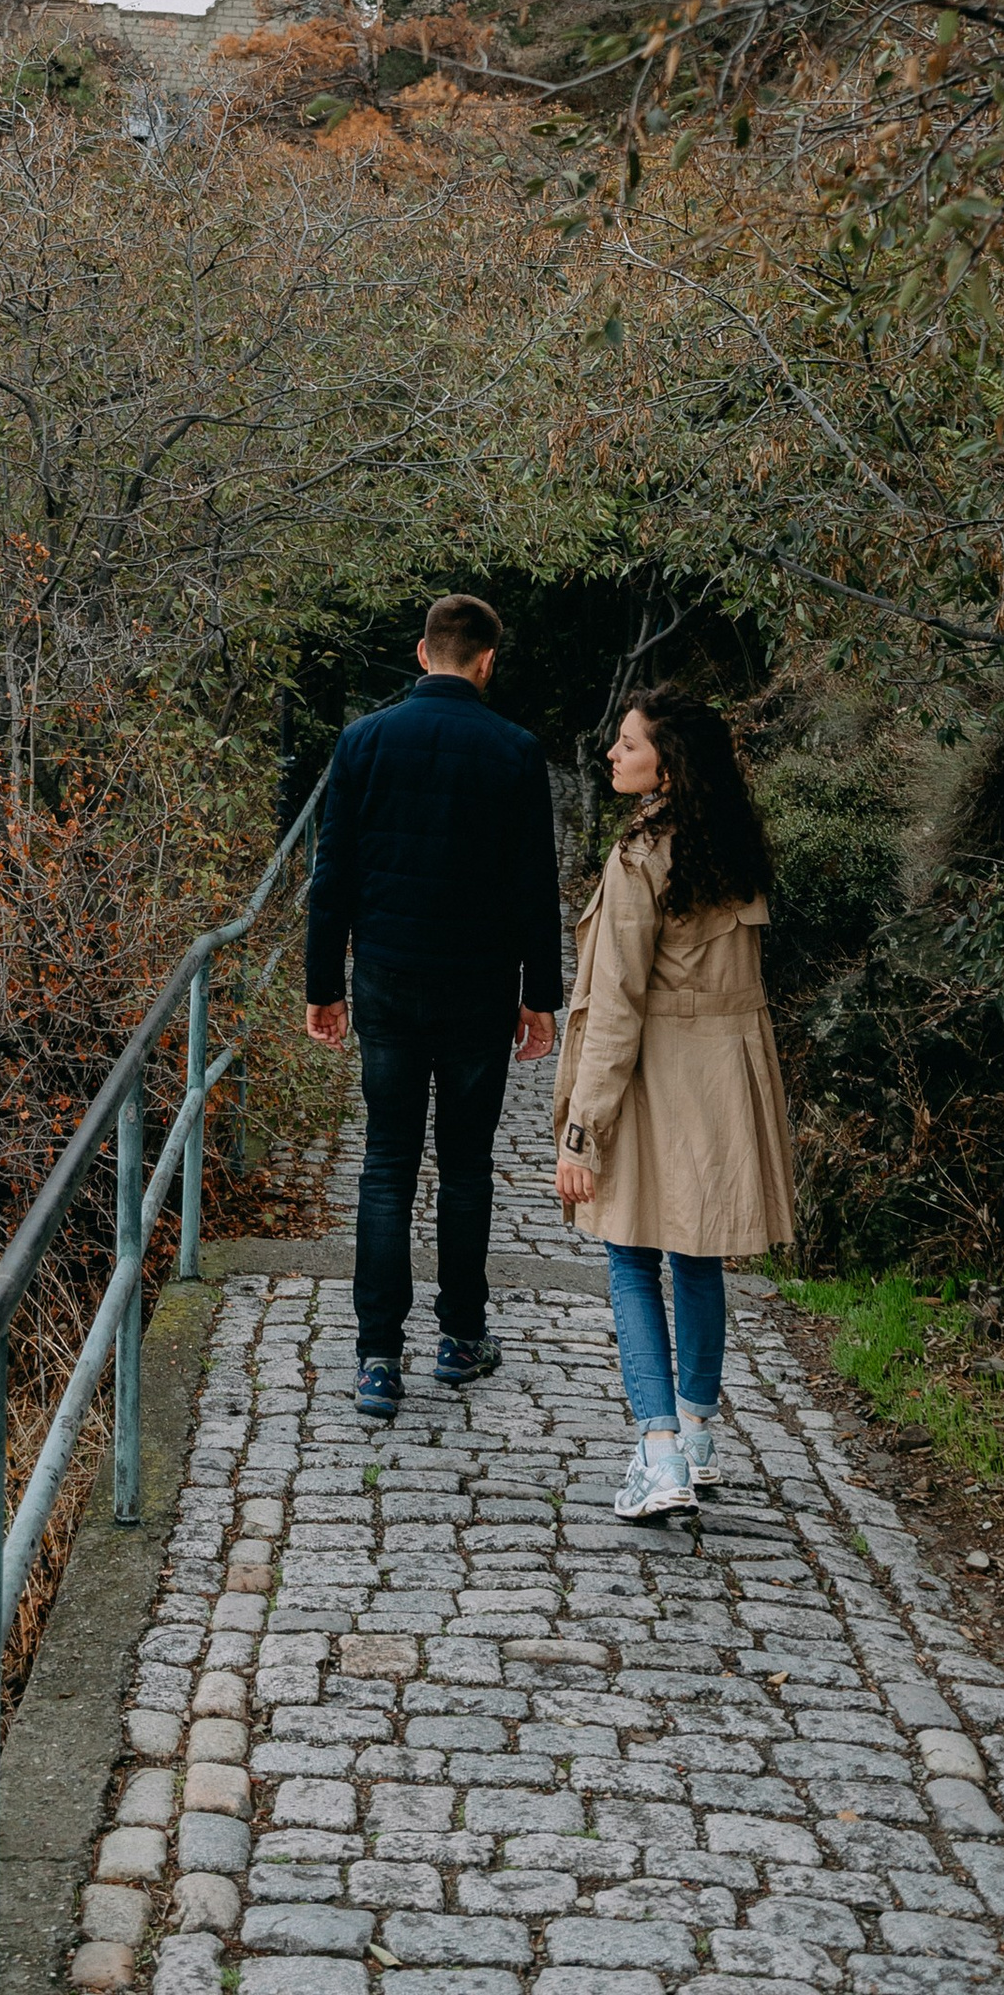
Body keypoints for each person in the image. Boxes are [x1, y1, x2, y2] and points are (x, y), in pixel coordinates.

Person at [304, 593, 563, 1425]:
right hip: (480, 984)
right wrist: (541, 998)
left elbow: (332, 873)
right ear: (486, 660)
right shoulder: (517, 751)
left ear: (423, 652)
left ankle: (378, 1358)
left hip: (385, 975)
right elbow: (535, 885)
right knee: (465, 1165)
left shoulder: (362, 740)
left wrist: (323, 985)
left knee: (385, 1165)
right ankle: (460, 1337)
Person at [552, 688, 796, 1517]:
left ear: (667, 760)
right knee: (696, 1256)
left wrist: (582, 1132)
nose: (612, 754)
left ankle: (659, 1457)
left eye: (628, 743)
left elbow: (616, 1007)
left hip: (659, 1077)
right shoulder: (731, 842)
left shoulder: (641, 856)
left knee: (629, 1254)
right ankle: (696, 1432)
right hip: (726, 1074)